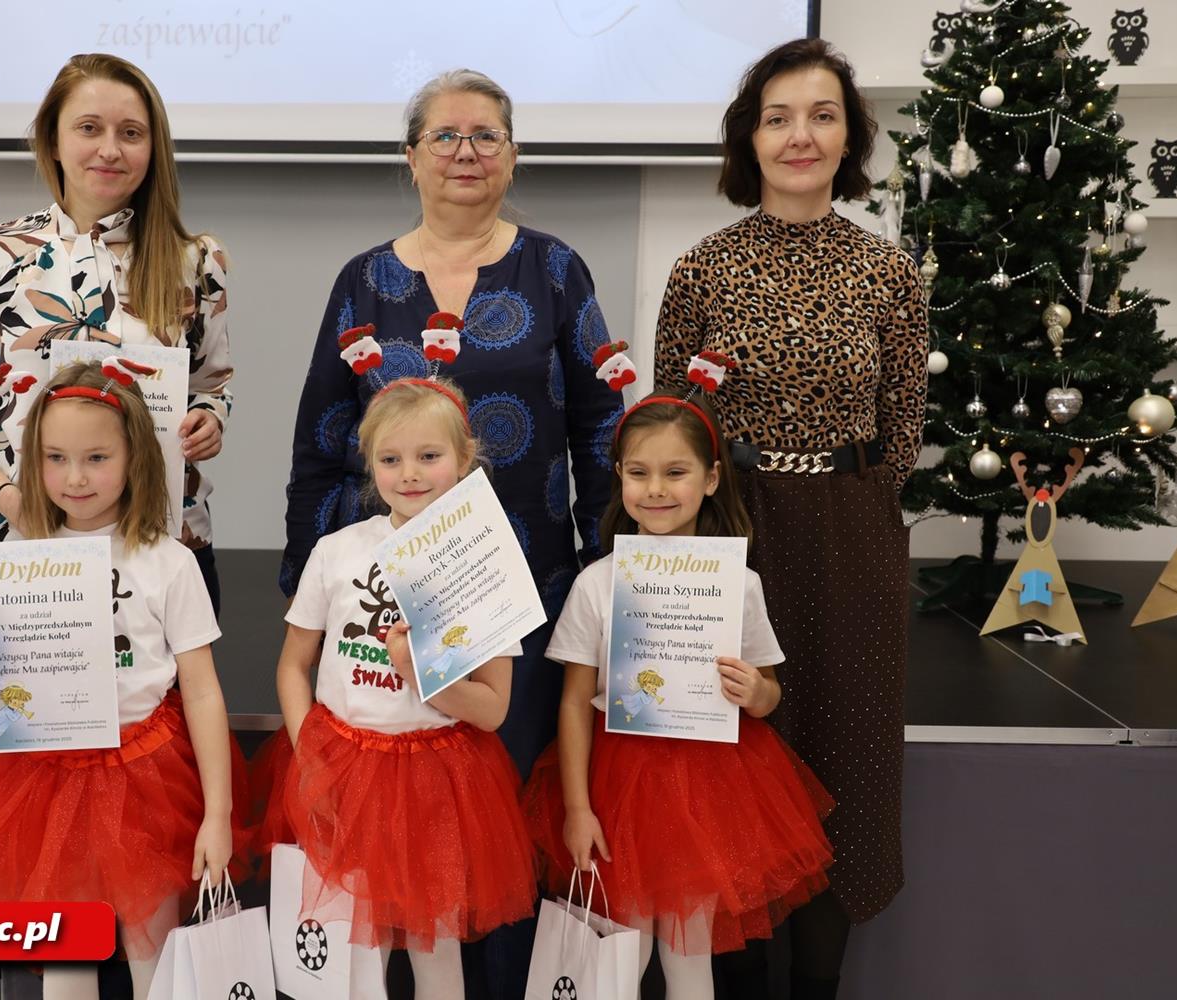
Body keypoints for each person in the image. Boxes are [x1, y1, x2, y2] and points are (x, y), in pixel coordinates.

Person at [653, 38, 928, 999]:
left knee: (842, 763)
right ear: (750, 138)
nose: (799, 135)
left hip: (851, 539)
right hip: (734, 535)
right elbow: (674, 426)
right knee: (732, 757)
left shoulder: (889, 274)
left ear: (848, 138)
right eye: (778, 118)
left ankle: (817, 982)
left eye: (821, 115)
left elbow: (902, 431)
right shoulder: (703, 270)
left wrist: (847, 502)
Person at [281, 69, 622, 776]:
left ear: (512, 156)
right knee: (397, 785)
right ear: (412, 158)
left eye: (486, 136)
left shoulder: (557, 268)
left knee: (510, 780)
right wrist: (310, 581)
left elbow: (599, 430)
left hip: (527, 579)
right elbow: (321, 437)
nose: (466, 152)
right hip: (383, 592)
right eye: (444, 136)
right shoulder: (363, 280)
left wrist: (605, 563)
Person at [0, 361, 248, 1000]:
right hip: (43, 784)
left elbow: (203, 691)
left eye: (97, 458)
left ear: (134, 458)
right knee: (66, 962)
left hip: (146, 780)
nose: (75, 478)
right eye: (56, 458)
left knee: (155, 956)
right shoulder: (12, 561)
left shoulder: (169, 562)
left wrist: (218, 814)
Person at [523, 377, 834, 1000]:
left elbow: (769, 693)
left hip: (711, 787)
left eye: (676, 472)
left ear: (711, 479)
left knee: (690, 959)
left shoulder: (738, 585)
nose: (657, 489)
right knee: (619, 957)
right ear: (619, 478)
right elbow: (574, 701)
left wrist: (755, 693)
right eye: (639, 473)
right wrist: (579, 808)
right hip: (619, 787)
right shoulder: (598, 583)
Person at [0, 53, 232, 612]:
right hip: (21, 550)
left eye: (131, 133)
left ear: (153, 148)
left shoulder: (197, 262)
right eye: (89, 128)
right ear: (54, 141)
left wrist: (209, 420)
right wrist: (14, 503)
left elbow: (210, 387)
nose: (110, 149)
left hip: (162, 550)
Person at [270, 358, 538, 999]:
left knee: (434, 949)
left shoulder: (484, 565)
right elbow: (293, 665)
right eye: (390, 460)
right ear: (369, 464)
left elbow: (493, 710)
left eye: (429, 456)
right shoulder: (337, 551)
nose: (410, 473)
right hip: (343, 769)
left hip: (436, 781)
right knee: (353, 955)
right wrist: (309, 757)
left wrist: (423, 674)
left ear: (465, 460)